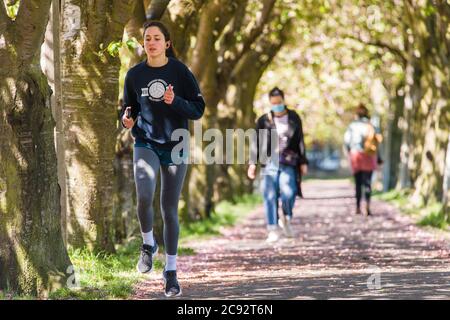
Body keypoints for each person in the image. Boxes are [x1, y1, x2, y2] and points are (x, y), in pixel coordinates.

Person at [120, 21, 205, 297]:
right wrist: (126, 120)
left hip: (176, 144)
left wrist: (174, 102)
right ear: (143, 44)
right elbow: (128, 108)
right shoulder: (134, 75)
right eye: (147, 39)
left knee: (169, 208)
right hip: (145, 142)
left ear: (167, 43)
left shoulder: (179, 71)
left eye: (157, 38)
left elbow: (198, 109)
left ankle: (171, 272)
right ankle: (148, 244)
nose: (152, 43)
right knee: (144, 196)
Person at [247, 87, 308, 242]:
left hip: (289, 161)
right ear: (270, 103)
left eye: (279, 102)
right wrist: (252, 163)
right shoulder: (263, 120)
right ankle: (272, 228)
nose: (277, 105)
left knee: (289, 191)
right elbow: (256, 142)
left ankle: (286, 217)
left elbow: (300, 140)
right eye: (273, 103)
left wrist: (303, 161)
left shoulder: (294, 117)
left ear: (283, 100)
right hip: (269, 162)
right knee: (269, 194)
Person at [344, 104, 382, 216]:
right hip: (369, 156)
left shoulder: (352, 125)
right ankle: (367, 206)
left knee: (358, 183)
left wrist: (349, 153)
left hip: (356, 155)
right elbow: (377, 143)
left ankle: (357, 207)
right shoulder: (372, 125)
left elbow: (347, 142)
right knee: (367, 183)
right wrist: (379, 158)